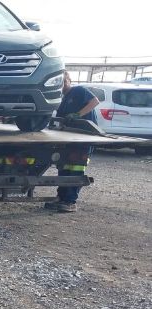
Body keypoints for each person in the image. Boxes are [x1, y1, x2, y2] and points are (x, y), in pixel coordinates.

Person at [45, 71, 100, 213]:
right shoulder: (63, 98)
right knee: (64, 168)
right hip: (70, 138)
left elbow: (95, 101)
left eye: (63, 81)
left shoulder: (79, 91)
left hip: (83, 137)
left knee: (75, 168)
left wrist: (78, 115)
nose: (61, 85)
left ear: (68, 80)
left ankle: (70, 201)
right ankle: (61, 197)